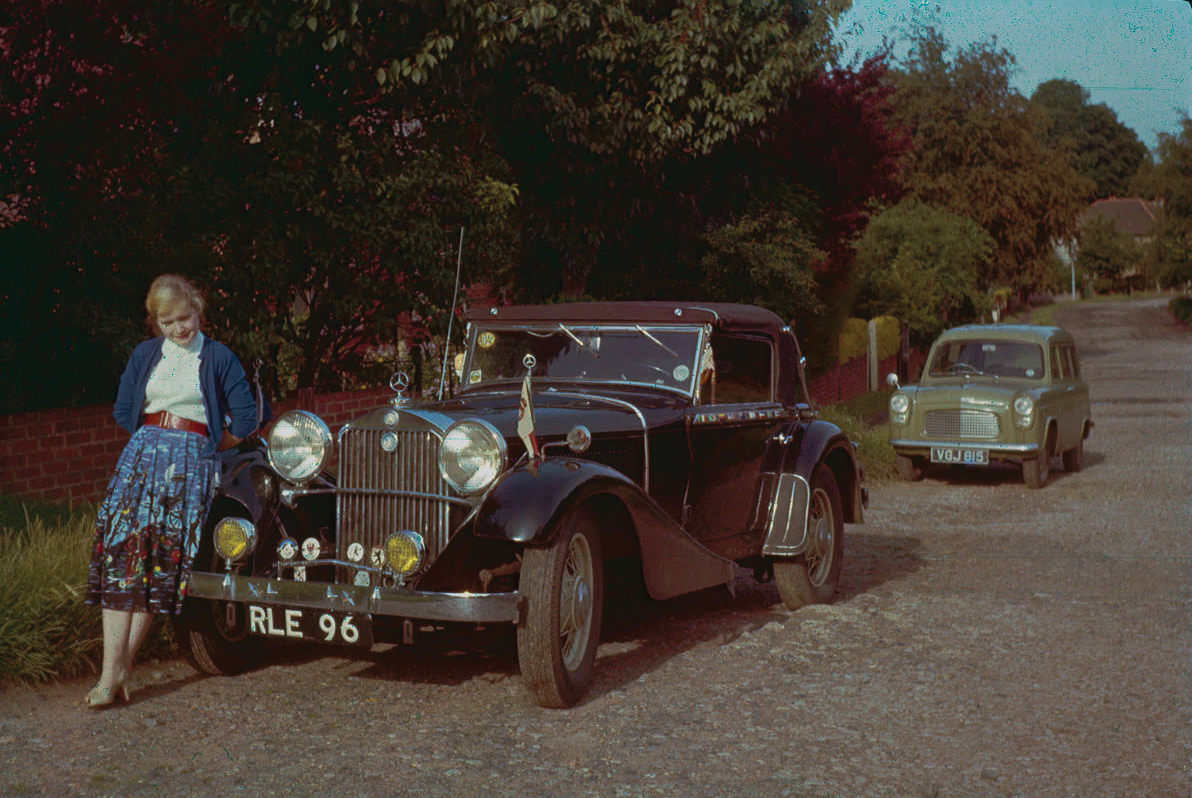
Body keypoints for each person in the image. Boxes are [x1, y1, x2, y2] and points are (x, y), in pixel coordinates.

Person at [83, 274, 259, 708]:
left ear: (199, 311)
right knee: (122, 555)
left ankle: (122, 668)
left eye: (185, 318)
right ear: (155, 322)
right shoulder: (146, 354)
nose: (179, 329)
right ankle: (112, 673)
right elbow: (125, 408)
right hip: (141, 458)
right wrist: (153, 438)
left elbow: (247, 417)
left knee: (159, 561)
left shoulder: (218, 357)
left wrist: (207, 445)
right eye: (168, 322)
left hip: (190, 465)